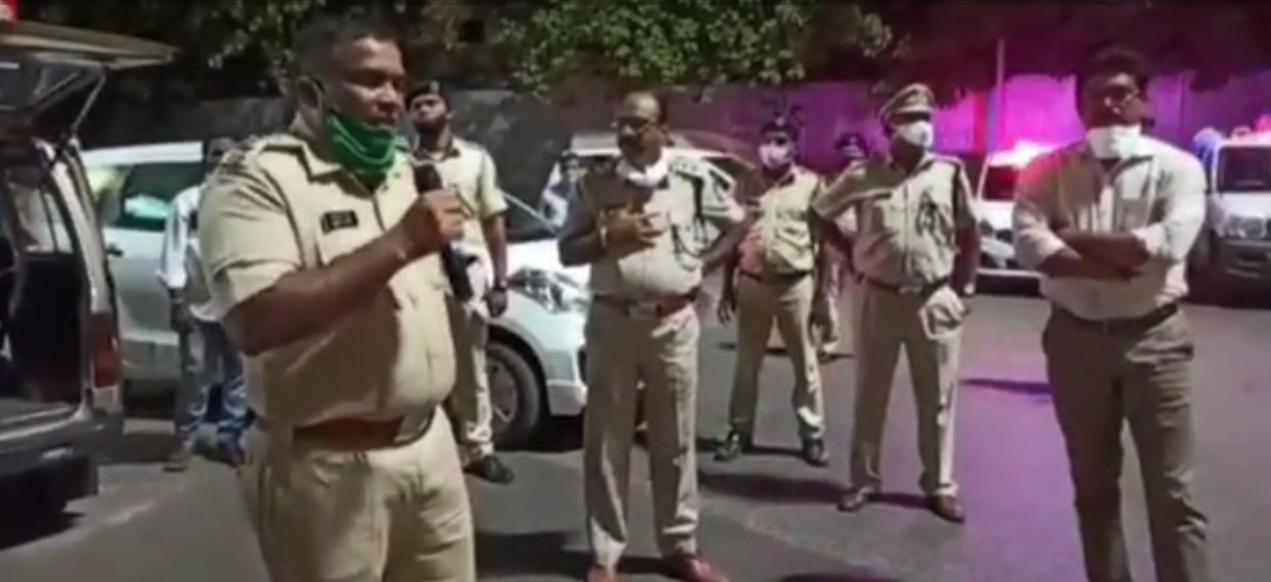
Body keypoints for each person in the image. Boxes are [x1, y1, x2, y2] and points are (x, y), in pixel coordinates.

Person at [198, 10, 474, 581]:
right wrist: (401, 242)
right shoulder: (255, 179)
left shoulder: (406, 173)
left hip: (431, 449)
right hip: (326, 468)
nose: (391, 99)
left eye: (397, 83)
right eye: (369, 81)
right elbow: (254, 319)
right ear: (311, 93)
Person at [1013, 48, 1210, 582]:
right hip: (1075, 341)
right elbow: (1032, 247)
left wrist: (1071, 237)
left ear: (1145, 102)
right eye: (1096, 95)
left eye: (1122, 94)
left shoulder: (1179, 169)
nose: (1108, 105)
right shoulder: (1045, 170)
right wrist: (1118, 262)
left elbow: (1167, 245)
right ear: (1079, 106)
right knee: (1094, 490)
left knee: (1174, 494)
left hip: (1156, 342)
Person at [558, 90, 745, 582]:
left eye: (637, 124)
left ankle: (680, 546)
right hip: (613, 322)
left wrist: (702, 264)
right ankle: (606, 552)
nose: (625, 133)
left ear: (663, 128)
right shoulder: (596, 184)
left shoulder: (693, 181)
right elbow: (567, 250)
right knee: (607, 439)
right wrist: (607, 236)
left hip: (673, 323)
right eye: (620, 123)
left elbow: (737, 224)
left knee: (676, 437)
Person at [814, 83, 980, 523]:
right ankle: (864, 480)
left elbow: (969, 232)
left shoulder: (948, 173)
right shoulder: (864, 176)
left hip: (934, 297)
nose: (921, 127)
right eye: (911, 119)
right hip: (879, 297)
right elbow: (820, 214)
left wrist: (965, 287)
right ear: (891, 129)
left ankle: (940, 485)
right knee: (870, 393)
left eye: (926, 118)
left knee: (938, 398)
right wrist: (850, 257)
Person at [407, 79, 515, 484]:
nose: (423, 109)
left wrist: (500, 282)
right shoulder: (399, 165)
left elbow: (494, 221)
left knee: (471, 364)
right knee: (422, 362)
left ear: (448, 110)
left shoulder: (475, 160)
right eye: (416, 104)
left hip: (464, 271)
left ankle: (479, 448)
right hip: (420, 272)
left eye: (431, 102)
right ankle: (433, 448)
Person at [715, 115, 828, 467]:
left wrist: (822, 296)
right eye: (767, 140)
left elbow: (823, 243)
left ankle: (812, 434)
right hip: (753, 283)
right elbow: (733, 237)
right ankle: (739, 431)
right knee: (746, 364)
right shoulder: (744, 184)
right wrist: (727, 288)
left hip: (796, 284)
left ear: (794, 146)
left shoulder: (812, 185)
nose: (772, 148)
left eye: (780, 140)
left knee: (805, 364)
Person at [160, 136, 249, 472]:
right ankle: (185, 439)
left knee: (240, 375)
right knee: (196, 375)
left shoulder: (247, 203)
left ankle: (230, 437)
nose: (222, 160)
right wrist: (177, 298)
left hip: (237, 305)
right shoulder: (187, 203)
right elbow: (173, 252)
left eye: (229, 154)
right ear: (206, 159)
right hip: (198, 305)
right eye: (216, 154)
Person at [812, 131, 873, 358]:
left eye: (856, 158)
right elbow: (820, 214)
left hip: (865, 243)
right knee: (829, 291)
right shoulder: (828, 182)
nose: (851, 164)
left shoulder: (873, 182)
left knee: (867, 296)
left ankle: (867, 342)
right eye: (847, 158)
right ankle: (830, 339)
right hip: (835, 242)